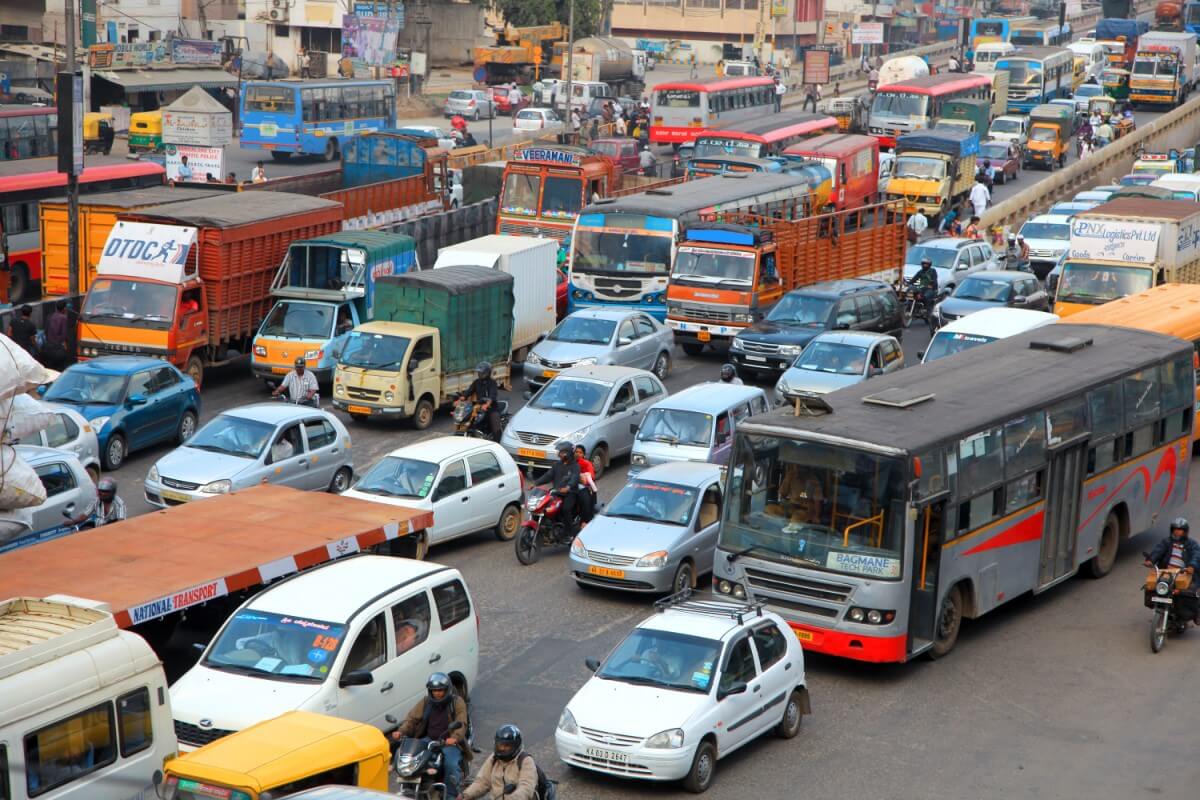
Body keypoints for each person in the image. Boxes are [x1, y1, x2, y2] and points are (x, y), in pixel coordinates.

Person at [392, 673, 471, 800]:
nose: (437, 693)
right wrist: (401, 731)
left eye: (440, 690)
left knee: (450, 764)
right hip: (428, 739)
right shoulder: (426, 701)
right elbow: (411, 719)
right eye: (434, 690)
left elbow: (461, 723)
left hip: (448, 741)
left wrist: (455, 737)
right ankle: (413, 786)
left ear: (447, 689)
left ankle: (450, 795)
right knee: (412, 758)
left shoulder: (457, 702)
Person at [460, 724, 540, 800]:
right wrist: (466, 795)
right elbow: (483, 782)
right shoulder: (494, 759)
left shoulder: (526, 761)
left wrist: (512, 798)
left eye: (506, 746)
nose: (502, 748)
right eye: (500, 745)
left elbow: (526, 788)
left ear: (515, 745)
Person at [531, 442, 580, 538]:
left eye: (562, 452)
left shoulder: (575, 466)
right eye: (559, 452)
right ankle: (544, 529)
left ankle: (568, 534)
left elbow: (574, 478)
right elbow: (548, 476)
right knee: (542, 506)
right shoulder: (556, 465)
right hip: (556, 492)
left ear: (568, 453)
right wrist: (535, 483)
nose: (559, 454)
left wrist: (568, 487)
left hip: (570, 493)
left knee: (566, 509)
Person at [462, 361, 501, 438]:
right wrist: (462, 398)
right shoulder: (476, 382)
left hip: (491, 408)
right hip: (478, 406)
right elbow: (469, 391)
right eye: (478, 372)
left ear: (487, 373)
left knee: (495, 425)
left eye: (481, 372)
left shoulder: (492, 383)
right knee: (468, 419)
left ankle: (497, 440)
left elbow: (492, 395)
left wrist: (487, 404)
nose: (479, 374)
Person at [42, 299, 69, 369]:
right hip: (58, 348)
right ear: (64, 308)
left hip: (48, 347)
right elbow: (64, 335)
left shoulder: (49, 316)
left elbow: (45, 331)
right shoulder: (64, 318)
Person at [574, 444, 597, 526]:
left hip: (584, 487)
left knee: (585, 500)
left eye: (580, 452)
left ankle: (585, 521)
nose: (578, 454)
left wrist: (583, 479)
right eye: (576, 452)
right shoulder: (570, 462)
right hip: (570, 486)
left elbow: (592, 476)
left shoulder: (587, 464)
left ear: (583, 454)